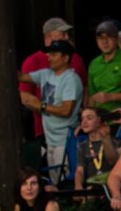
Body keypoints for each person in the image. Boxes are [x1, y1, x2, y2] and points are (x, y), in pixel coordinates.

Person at [18, 40, 83, 180]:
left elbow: (66, 111)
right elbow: (21, 77)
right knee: (55, 182)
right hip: (50, 140)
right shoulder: (46, 74)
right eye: (49, 54)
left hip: (65, 140)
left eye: (53, 54)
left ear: (65, 58)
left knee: (66, 181)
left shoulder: (71, 79)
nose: (49, 57)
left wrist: (39, 106)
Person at [17, 18, 88, 144]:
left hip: (71, 131)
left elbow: (84, 89)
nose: (67, 37)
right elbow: (25, 97)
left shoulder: (75, 58)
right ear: (48, 36)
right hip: (43, 131)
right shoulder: (32, 62)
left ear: (66, 58)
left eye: (68, 34)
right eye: (63, 33)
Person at [86, 21, 121, 112]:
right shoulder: (94, 64)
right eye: (100, 38)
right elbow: (92, 96)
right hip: (100, 119)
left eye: (108, 37)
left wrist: (112, 97)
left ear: (116, 39)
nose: (105, 42)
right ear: (96, 41)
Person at [72, 108, 119, 193]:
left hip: (110, 186)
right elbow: (80, 170)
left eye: (89, 118)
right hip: (90, 186)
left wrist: (106, 138)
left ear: (99, 121)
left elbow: (112, 160)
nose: (84, 122)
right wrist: (78, 186)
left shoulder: (114, 142)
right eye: (82, 119)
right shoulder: (82, 146)